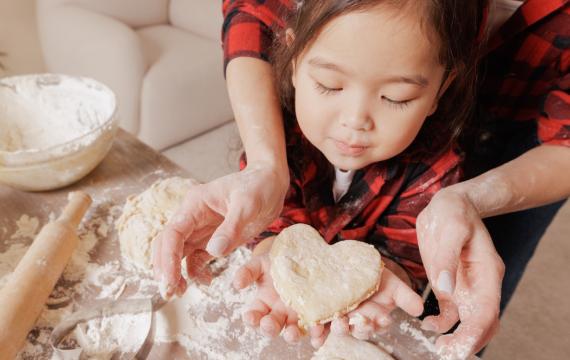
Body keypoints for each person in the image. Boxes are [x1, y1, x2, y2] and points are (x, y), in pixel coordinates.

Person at [153, 0, 570, 357]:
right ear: (293, 60)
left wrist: (392, 271)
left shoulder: (437, 172)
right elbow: (277, 221)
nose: (355, 122)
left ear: (441, 91)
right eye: (329, 85)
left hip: (527, 126)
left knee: (457, 305)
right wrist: (270, 240)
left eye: (395, 98)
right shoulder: (286, 136)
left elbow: (408, 255)